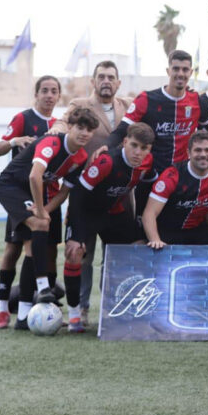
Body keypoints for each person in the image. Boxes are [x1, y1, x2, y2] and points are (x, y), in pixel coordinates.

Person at [0, 107, 98, 330]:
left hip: (33, 194)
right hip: (11, 186)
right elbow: (35, 176)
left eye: (89, 130)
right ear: (69, 127)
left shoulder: (81, 157)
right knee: (34, 229)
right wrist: (41, 211)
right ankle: (42, 287)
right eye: (80, 127)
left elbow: (64, 191)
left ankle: (23, 317)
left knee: (32, 249)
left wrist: (46, 209)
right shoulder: (52, 142)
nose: (84, 133)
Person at [57, 60, 131, 327]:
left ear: (118, 82)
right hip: (85, 195)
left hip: (120, 198)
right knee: (82, 255)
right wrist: (54, 131)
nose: (106, 81)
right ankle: (82, 309)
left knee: (115, 257)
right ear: (93, 81)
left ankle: (110, 309)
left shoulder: (129, 106)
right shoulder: (80, 105)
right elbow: (62, 123)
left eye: (111, 77)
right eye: (101, 76)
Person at [62, 122, 156, 332]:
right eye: (134, 145)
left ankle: (119, 308)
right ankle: (75, 314)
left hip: (113, 213)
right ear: (125, 142)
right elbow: (78, 194)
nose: (138, 152)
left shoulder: (148, 162)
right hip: (86, 213)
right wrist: (76, 234)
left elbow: (149, 189)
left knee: (140, 248)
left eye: (144, 148)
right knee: (75, 253)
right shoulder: (106, 162)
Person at [107, 50, 208, 215]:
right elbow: (121, 131)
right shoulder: (146, 99)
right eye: (176, 68)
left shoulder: (196, 101)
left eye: (185, 69)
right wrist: (105, 148)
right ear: (168, 71)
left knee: (175, 227)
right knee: (144, 227)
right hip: (150, 178)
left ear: (190, 72)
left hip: (181, 181)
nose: (180, 73)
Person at [0, 76, 63, 329]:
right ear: (36, 94)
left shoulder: (58, 126)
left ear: (58, 96)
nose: (49, 95)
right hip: (22, 195)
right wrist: (15, 141)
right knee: (14, 249)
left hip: (48, 197)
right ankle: (3, 308)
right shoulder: (23, 118)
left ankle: (47, 306)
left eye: (53, 91)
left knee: (50, 252)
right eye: (44, 90)